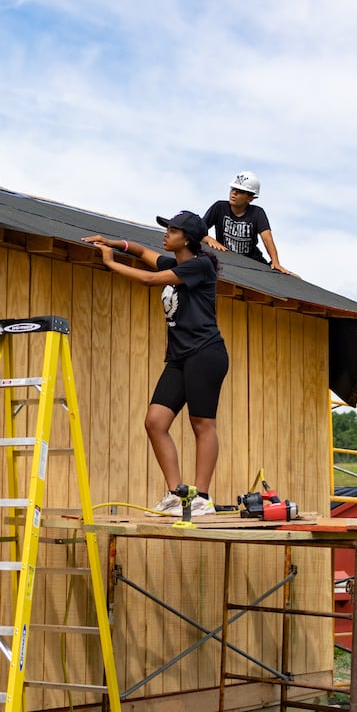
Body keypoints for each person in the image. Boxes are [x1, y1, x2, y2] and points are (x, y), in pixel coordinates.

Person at [84, 211, 229, 516]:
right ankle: (177, 495)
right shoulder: (175, 262)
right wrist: (110, 242)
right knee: (155, 422)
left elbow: (150, 279)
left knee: (201, 424)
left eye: (171, 230)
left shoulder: (199, 266)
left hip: (205, 353)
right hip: (178, 357)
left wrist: (111, 263)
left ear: (186, 238)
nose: (165, 234)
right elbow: (140, 251)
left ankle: (202, 498)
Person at [202, 171, 292, 275]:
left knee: (294, 278)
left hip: (252, 263)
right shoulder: (219, 208)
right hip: (227, 261)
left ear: (250, 198)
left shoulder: (257, 213)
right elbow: (195, 231)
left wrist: (275, 262)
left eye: (240, 191)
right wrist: (208, 239)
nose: (234, 193)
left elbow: (267, 239)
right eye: (233, 189)